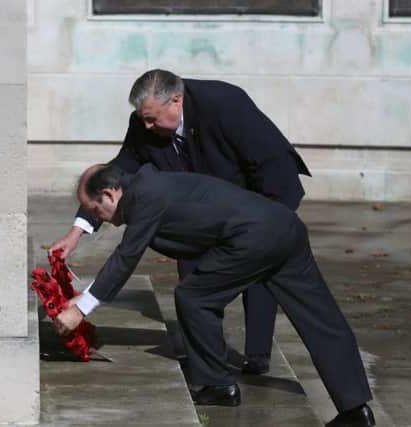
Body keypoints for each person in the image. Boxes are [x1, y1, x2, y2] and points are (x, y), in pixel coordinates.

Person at [56, 164, 375, 427]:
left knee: (194, 297)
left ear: (110, 193)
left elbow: (126, 256)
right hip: (284, 226)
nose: (104, 219)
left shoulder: (144, 196)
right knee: (320, 318)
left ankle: (218, 385)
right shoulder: (146, 183)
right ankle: (356, 408)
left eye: (98, 210)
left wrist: (81, 309)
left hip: (253, 237)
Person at [50, 69, 311, 374]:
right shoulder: (144, 122)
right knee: (193, 274)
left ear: (176, 101)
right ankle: (204, 356)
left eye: (152, 118)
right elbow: (115, 173)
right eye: (143, 118)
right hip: (201, 212)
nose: (146, 126)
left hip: (260, 194)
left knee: (260, 268)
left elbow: (271, 162)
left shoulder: (225, 103)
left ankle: (258, 355)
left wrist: (275, 219)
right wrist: (77, 231)